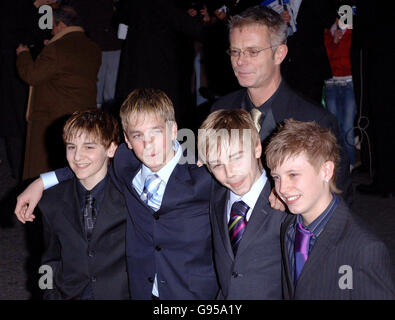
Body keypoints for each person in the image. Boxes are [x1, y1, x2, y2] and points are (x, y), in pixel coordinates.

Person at [15, 88, 218, 300]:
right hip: (141, 292)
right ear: (127, 142)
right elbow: (89, 164)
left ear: (174, 130)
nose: (148, 144)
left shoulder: (205, 174)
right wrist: (41, 181)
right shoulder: (125, 163)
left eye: (156, 132)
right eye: (138, 135)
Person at [211, 5, 352, 204]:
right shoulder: (220, 110)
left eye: (252, 52)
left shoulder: (315, 121)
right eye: (235, 52)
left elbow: (338, 200)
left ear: (279, 54)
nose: (240, 61)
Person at [265, 119, 395, 299]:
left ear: (326, 171)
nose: (282, 188)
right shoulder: (289, 227)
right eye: (276, 177)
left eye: (293, 174)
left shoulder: (364, 249)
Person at [39, 109, 130, 299]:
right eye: (71, 147)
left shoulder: (130, 196)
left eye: (89, 147)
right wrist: (48, 294)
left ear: (111, 149)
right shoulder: (51, 200)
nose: (78, 156)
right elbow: (49, 259)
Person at [198, 109, 286, 299]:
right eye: (217, 164)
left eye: (236, 157)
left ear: (256, 147)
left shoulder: (286, 200)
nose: (230, 173)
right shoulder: (215, 195)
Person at [16, 5, 101, 179]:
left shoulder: (56, 49)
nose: (52, 31)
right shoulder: (92, 47)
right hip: (81, 115)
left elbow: (32, 75)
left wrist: (23, 55)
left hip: (52, 116)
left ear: (61, 25)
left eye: (54, 26)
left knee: (45, 167)